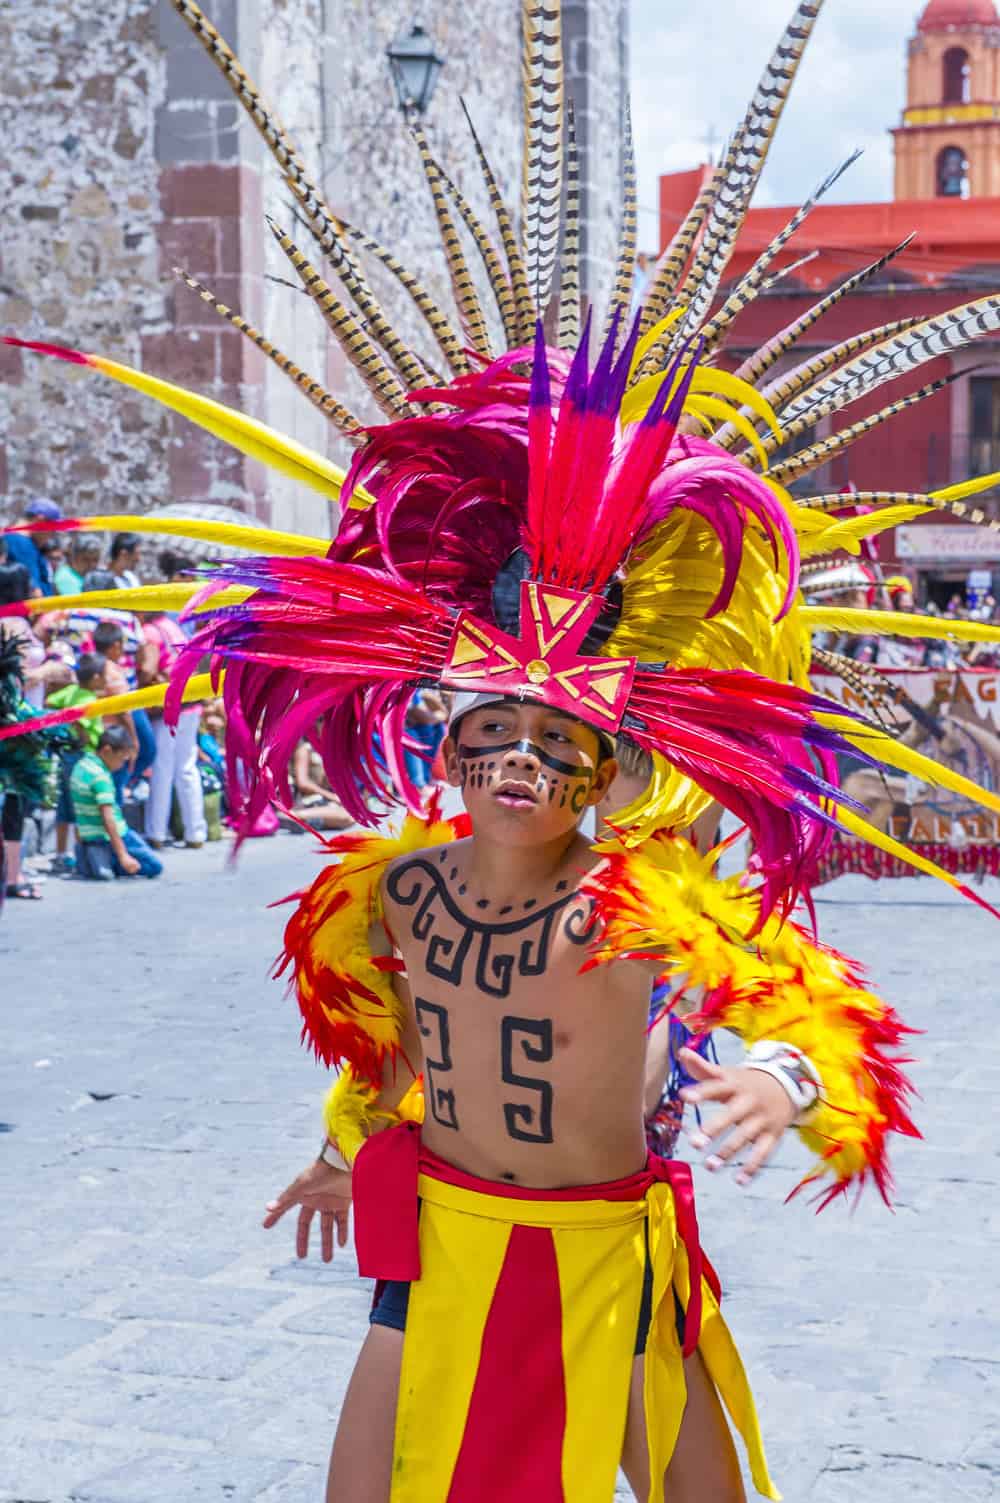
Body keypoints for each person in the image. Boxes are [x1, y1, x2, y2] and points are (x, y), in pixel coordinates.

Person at [137, 608, 206, 849]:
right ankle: (195, 832)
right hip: (190, 704)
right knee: (187, 769)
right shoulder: (172, 625)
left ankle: (156, 833)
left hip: (168, 709)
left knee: (162, 769)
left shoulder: (149, 631)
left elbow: (147, 669)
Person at [71, 724, 163, 880]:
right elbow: (108, 818)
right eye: (122, 759)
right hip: (111, 836)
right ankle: (111, 860)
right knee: (154, 866)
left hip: (89, 836)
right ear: (107, 751)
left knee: (103, 871)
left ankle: (96, 860)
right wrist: (123, 855)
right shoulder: (101, 777)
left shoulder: (81, 766)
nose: (122, 765)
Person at [46, 651, 107, 872]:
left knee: (64, 807)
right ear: (96, 678)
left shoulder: (71, 691)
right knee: (81, 806)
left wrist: (63, 724)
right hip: (84, 758)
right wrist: (79, 730)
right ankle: (82, 854)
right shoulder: (91, 701)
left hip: (66, 755)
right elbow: (89, 732)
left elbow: (49, 701)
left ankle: (61, 854)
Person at [3, 498, 62, 596]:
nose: (52, 535)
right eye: (53, 529)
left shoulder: (14, 540)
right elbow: (34, 593)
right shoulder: (22, 545)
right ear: (40, 520)